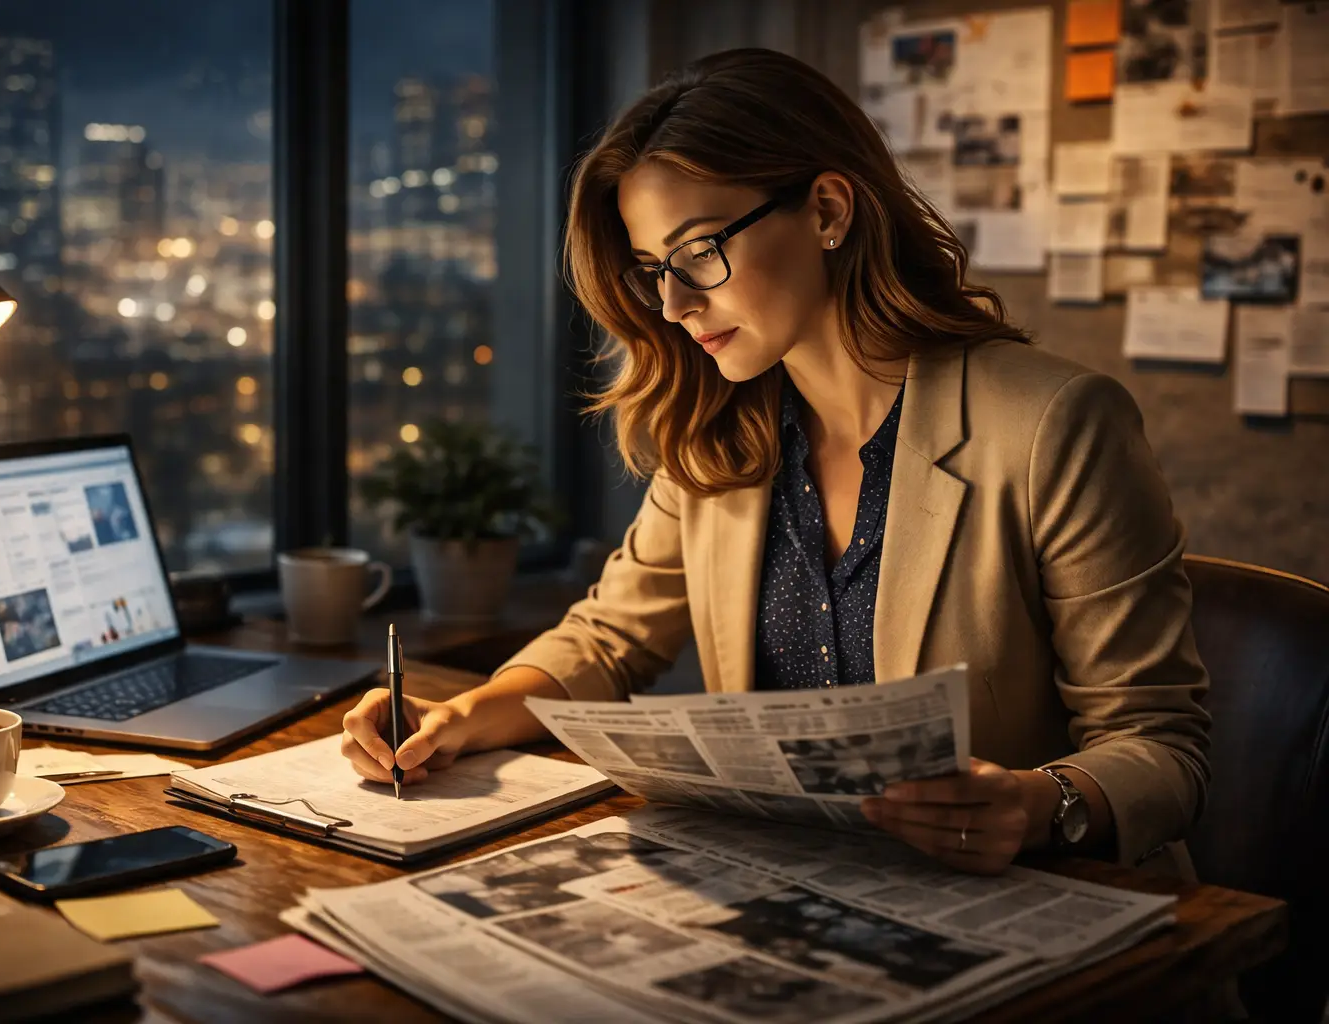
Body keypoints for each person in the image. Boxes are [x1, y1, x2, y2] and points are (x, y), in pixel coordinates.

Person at [341, 48, 1209, 877]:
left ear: (828, 210)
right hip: (806, 895)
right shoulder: (718, 430)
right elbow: (608, 640)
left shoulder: (1055, 423)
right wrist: (459, 716)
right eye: (654, 270)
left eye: (700, 252)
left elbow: (1162, 745)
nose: (675, 305)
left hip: (1043, 912)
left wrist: (1037, 803)